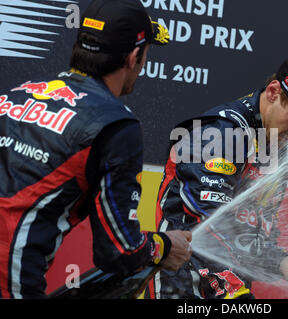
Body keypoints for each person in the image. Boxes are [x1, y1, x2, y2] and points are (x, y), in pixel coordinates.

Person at [0, 0, 191, 299]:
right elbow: (118, 252)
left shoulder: (16, 94)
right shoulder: (116, 126)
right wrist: (164, 245)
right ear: (134, 56)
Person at [147, 52, 288, 299]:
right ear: (273, 92)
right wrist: (233, 289)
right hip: (183, 285)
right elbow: (209, 223)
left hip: (228, 285)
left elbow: (252, 230)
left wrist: (280, 262)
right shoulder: (222, 133)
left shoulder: (275, 144)